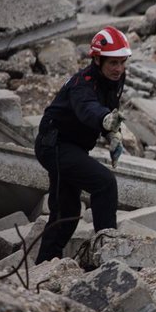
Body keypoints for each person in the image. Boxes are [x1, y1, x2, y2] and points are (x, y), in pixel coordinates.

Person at [34, 26, 130, 264]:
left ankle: (44, 267)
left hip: (73, 147)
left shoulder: (115, 79)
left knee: (67, 213)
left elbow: (107, 106)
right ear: (97, 60)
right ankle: (108, 253)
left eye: (122, 62)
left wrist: (111, 134)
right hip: (54, 145)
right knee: (104, 183)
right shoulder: (82, 84)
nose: (119, 69)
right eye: (113, 63)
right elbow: (88, 108)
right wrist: (103, 120)